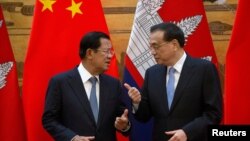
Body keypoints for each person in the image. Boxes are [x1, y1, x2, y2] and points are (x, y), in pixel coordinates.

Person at [124, 22, 222, 141]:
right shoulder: (152, 73)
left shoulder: (204, 69)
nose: (152, 52)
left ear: (174, 44)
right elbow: (144, 117)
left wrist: (187, 132)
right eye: (150, 47)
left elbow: (213, 114)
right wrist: (137, 103)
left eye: (156, 46)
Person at [42, 31, 130, 141]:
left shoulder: (113, 84)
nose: (110, 56)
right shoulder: (60, 82)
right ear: (89, 53)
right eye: (106, 51)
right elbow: (49, 120)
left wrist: (124, 126)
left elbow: (122, 118)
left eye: (111, 52)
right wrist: (72, 138)